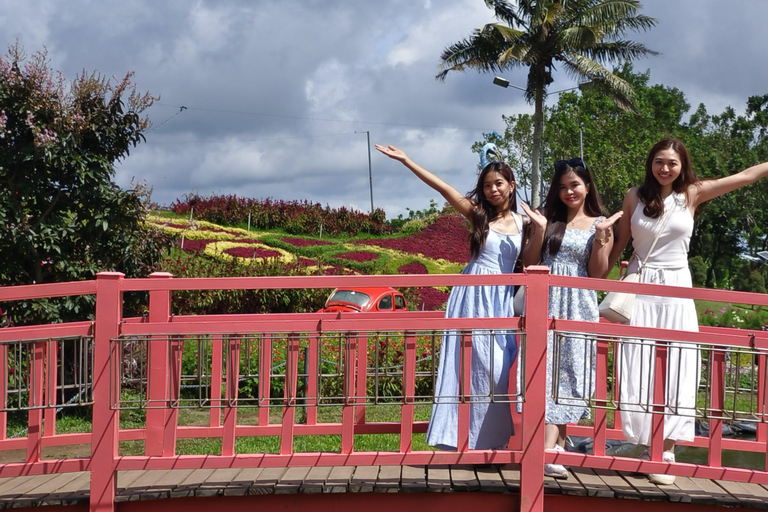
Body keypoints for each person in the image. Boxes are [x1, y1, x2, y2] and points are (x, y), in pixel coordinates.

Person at [608, 138, 768, 485]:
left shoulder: (691, 194)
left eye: (672, 163)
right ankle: (640, 442)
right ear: (650, 162)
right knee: (637, 362)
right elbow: (619, 243)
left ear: (682, 166)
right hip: (641, 286)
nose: (665, 168)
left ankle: (666, 448)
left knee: (678, 362)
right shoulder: (634, 195)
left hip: (677, 287)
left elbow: (743, 176)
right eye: (659, 161)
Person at [375, 144, 523, 450]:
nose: (493, 190)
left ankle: (489, 442)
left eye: (498, 183)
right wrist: (407, 160)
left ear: (511, 185)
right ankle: (455, 440)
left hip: (502, 299)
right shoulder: (479, 216)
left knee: (498, 367)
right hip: (472, 294)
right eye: (487, 185)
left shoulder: (526, 223)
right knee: (467, 365)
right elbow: (443, 187)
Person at [520, 158, 621, 478]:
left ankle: (553, 448)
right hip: (545, 302)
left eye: (575, 185)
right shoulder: (548, 219)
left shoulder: (599, 223)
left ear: (587, 186)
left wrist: (603, 240)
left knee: (572, 377)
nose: (569, 191)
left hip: (579, 305)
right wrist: (537, 229)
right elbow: (530, 261)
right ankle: (553, 449)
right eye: (562, 187)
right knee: (543, 373)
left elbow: (597, 274)